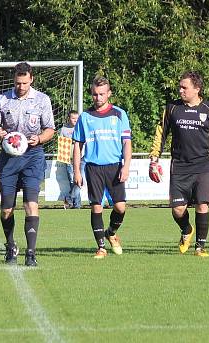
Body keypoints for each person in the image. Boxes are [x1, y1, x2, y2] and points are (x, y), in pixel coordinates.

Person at [149, 71, 209, 257]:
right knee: (178, 210)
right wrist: (154, 158)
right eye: (180, 86)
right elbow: (160, 133)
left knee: (202, 205)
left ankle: (200, 247)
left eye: (184, 87)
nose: (180, 90)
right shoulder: (172, 108)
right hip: (179, 166)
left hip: (204, 165)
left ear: (197, 89)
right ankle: (186, 230)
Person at [0, 62, 55, 267]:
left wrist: (40, 139)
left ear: (31, 79)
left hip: (33, 156)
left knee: (31, 204)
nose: (21, 86)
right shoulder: (2, 99)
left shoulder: (42, 100)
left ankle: (31, 253)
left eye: (25, 83)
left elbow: (50, 129)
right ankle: (10, 246)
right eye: (18, 82)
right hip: (9, 158)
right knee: (7, 209)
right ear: (14, 79)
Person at [72, 76, 132, 259]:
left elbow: (127, 143)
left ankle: (111, 232)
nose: (98, 97)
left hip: (114, 166)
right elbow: (77, 145)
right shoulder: (85, 117)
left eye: (101, 94)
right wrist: (76, 171)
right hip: (93, 167)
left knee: (120, 207)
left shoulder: (119, 114)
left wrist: (126, 166)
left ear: (109, 94)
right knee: (96, 207)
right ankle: (101, 247)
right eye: (95, 94)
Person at [56, 110, 82, 209]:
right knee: (72, 181)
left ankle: (69, 199)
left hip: (81, 158)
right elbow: (61, 144)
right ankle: (77, 205)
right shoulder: (64, 130)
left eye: (77, 118)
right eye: (73, 118)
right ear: (69, 118)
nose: (75, 120)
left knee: (79, 180)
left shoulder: (80, 128)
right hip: (69, 159)